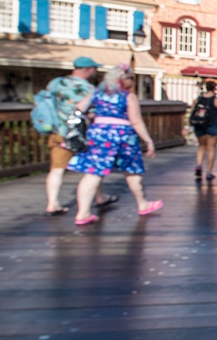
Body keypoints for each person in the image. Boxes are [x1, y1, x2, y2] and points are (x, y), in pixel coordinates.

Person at [68, 64, 162, 225]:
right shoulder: (128, 97)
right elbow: (136, 121)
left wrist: (94, 116)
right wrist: (148, 140)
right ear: (122, 79)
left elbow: (78, 109)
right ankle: (143, 203)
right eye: (131, 78)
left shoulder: (96, 93)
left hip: (98, 134)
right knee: (131, 170)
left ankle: (83, 212)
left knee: (93, 173)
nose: (132, 81)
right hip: (123, 135)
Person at [43, 56, 114, 215]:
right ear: (87, 69)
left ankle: (52, 203)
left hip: (59, 131)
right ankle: (100, 196)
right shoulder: (87, 89)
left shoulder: (55, 84)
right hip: (83, 134)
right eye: (94, 69)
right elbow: (93, 112)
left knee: (56, 169)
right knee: (94, 168)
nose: (95, 72)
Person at [190, 80, 217, 182]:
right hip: (213, 126)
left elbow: (192, 112)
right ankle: (209, 172)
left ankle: (198, 165)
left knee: (201, 146)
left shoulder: (198, 100)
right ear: (214, 88)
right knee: (211, 149)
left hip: (199, 126)